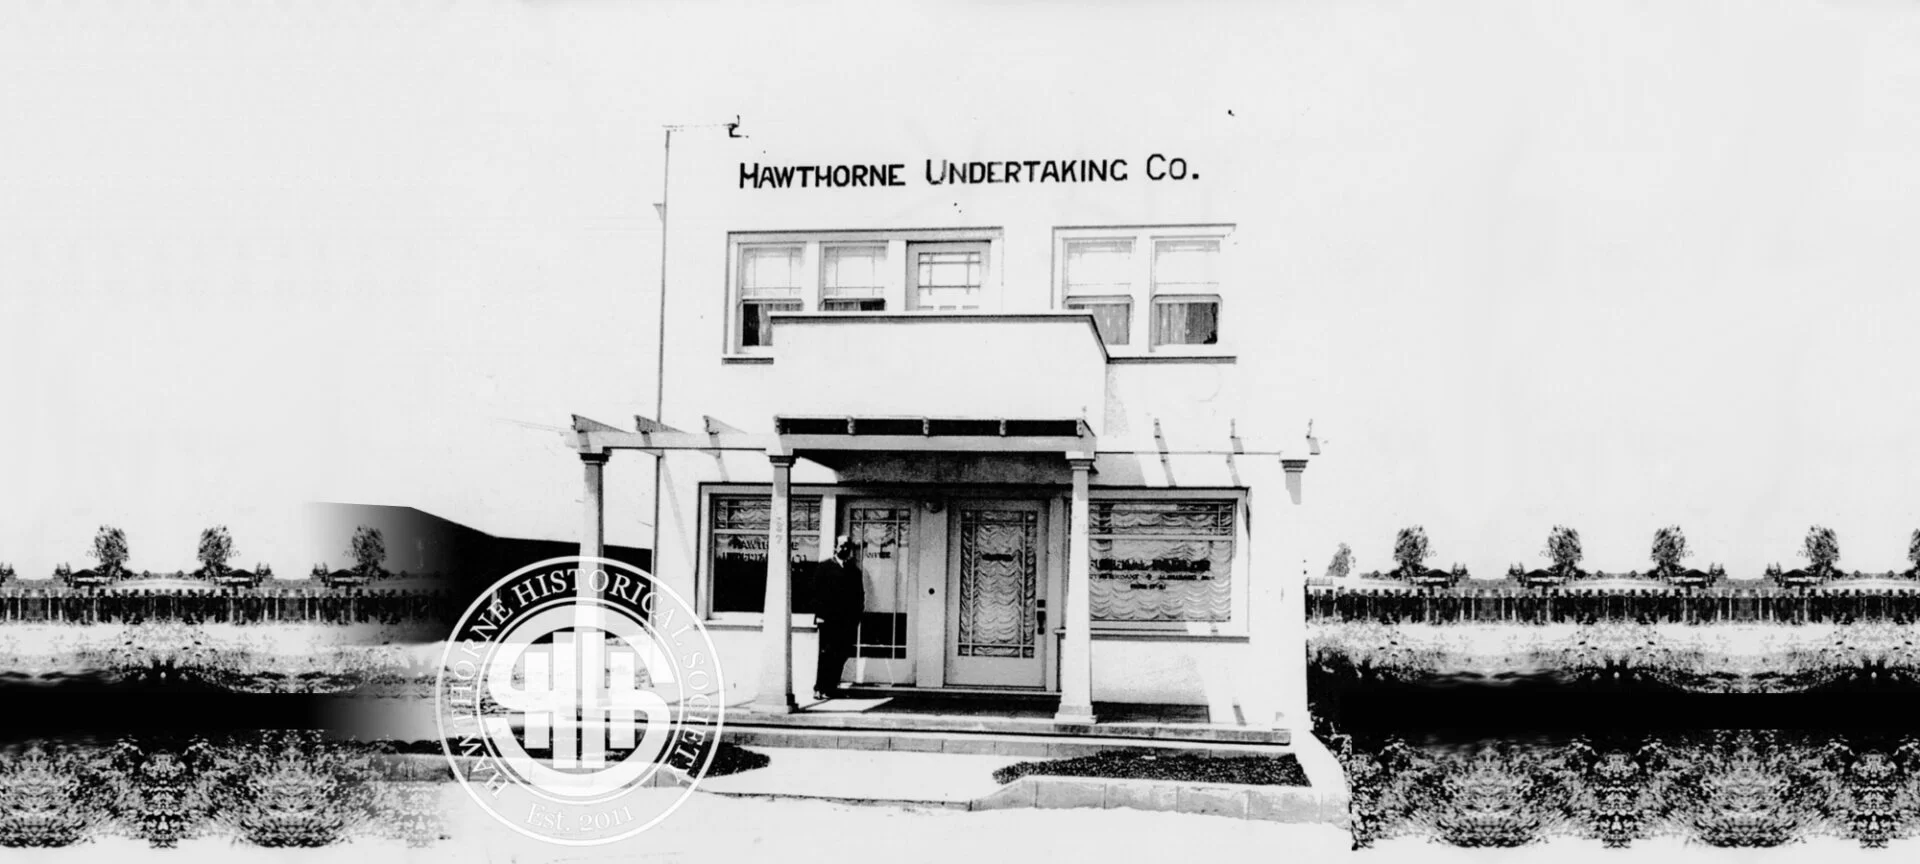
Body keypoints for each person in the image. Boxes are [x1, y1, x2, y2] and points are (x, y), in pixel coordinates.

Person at [812, 535, 865, 700]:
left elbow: (859, 595)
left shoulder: (854, 571)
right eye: (842, 546)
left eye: (847, 546)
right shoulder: (824, 567)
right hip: (828, 620)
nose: (845, 549)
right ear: (835, 547)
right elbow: (815, 593)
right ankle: (819, 688)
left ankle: (831, 687)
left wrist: (856, 618)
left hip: (846, 621)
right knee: (826, 654)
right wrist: (819, 615)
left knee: (841, 654)